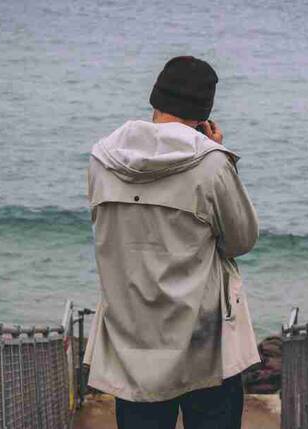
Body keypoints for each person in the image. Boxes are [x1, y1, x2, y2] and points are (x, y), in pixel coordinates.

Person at [83, 56, 260, 429]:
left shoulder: (102, 159)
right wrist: (220, 159)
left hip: (131, 342)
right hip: (204, 342)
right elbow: (241, 240)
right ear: (203, 113)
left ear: (156, 99)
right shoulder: (212, 164)